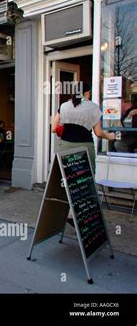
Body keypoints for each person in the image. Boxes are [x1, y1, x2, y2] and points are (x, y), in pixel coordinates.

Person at [51, 83, 115, 227]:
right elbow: (98, 133)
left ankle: (68, 212)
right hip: (84, 147)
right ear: (87, 93)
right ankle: (82, 212)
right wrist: (109, 136)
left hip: (65, 146)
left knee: (67, 179)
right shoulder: (93, 107)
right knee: (85, 179)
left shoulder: (64, 106)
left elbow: (54, 128)